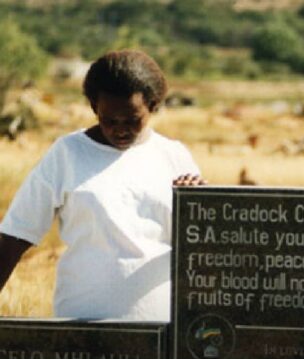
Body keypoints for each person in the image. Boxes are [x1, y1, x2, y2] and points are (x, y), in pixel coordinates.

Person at [0, 49, 205, 321]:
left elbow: (203, 248)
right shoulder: (67, 154)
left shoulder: (174, 156)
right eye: (109, 120)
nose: (120, 129)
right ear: (94, 106)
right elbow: (15, 236)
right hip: (82, 325)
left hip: (162, 328)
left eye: (132, 120)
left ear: (153, 105)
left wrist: (198, 201)